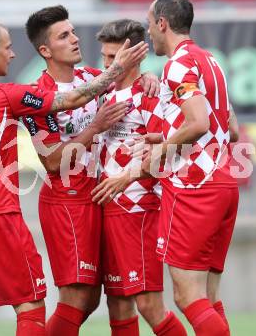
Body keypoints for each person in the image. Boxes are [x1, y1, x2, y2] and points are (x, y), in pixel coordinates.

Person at [0, 19, 148, 336]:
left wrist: (145, 77)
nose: (12, 55)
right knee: (32, 305)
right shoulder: (6, 95)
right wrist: (117, 69)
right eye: (8, 48)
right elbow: (69, 103)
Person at [93, 0, 239, 336]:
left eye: (149, 23)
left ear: (162, 23)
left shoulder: (178, 65)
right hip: (225, 183)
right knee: (208, 297)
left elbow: (199, 123)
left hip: (194, 187)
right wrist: (162, 138)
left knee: (187, 297)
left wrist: (160, 152)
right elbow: (228, 129)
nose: (149, 32)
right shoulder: (211, 62)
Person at [23, 5, 159, 336]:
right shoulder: (36, 99)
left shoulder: (90, 79)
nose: (74, 39)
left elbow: (121, 77)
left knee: (103, 298)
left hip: (100, 196)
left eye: (72, 31)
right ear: (45, 50)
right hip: (66, 202)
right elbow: (53, 162)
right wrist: (94, 128)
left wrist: (146, 76)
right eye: (63, 35)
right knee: (77, 298)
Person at [96, 19, 187, 336]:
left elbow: (170, 151)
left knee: (149, 305)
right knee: (118, 303)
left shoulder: (151, 95)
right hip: (109, 209)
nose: (109, 64)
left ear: (136, 55)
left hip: (140, 210)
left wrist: (128, 176)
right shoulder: (105, 93)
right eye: (105, 57)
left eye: (114, 57)